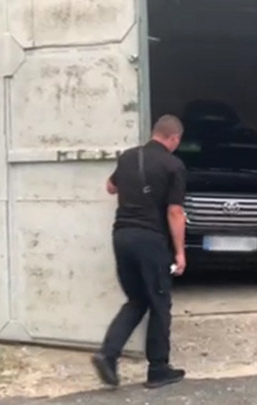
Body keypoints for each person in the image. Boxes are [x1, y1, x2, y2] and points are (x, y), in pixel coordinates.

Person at [92, 115, 188, 389]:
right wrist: (180, 253)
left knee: (137, 300)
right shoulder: (173, 165)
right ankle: (158, 369)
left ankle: (108, 354)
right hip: (150, 241)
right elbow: (175, 212)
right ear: (174, 138)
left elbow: (111, 187)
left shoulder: (128, 157)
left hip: (122, 236)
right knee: (160, 303)